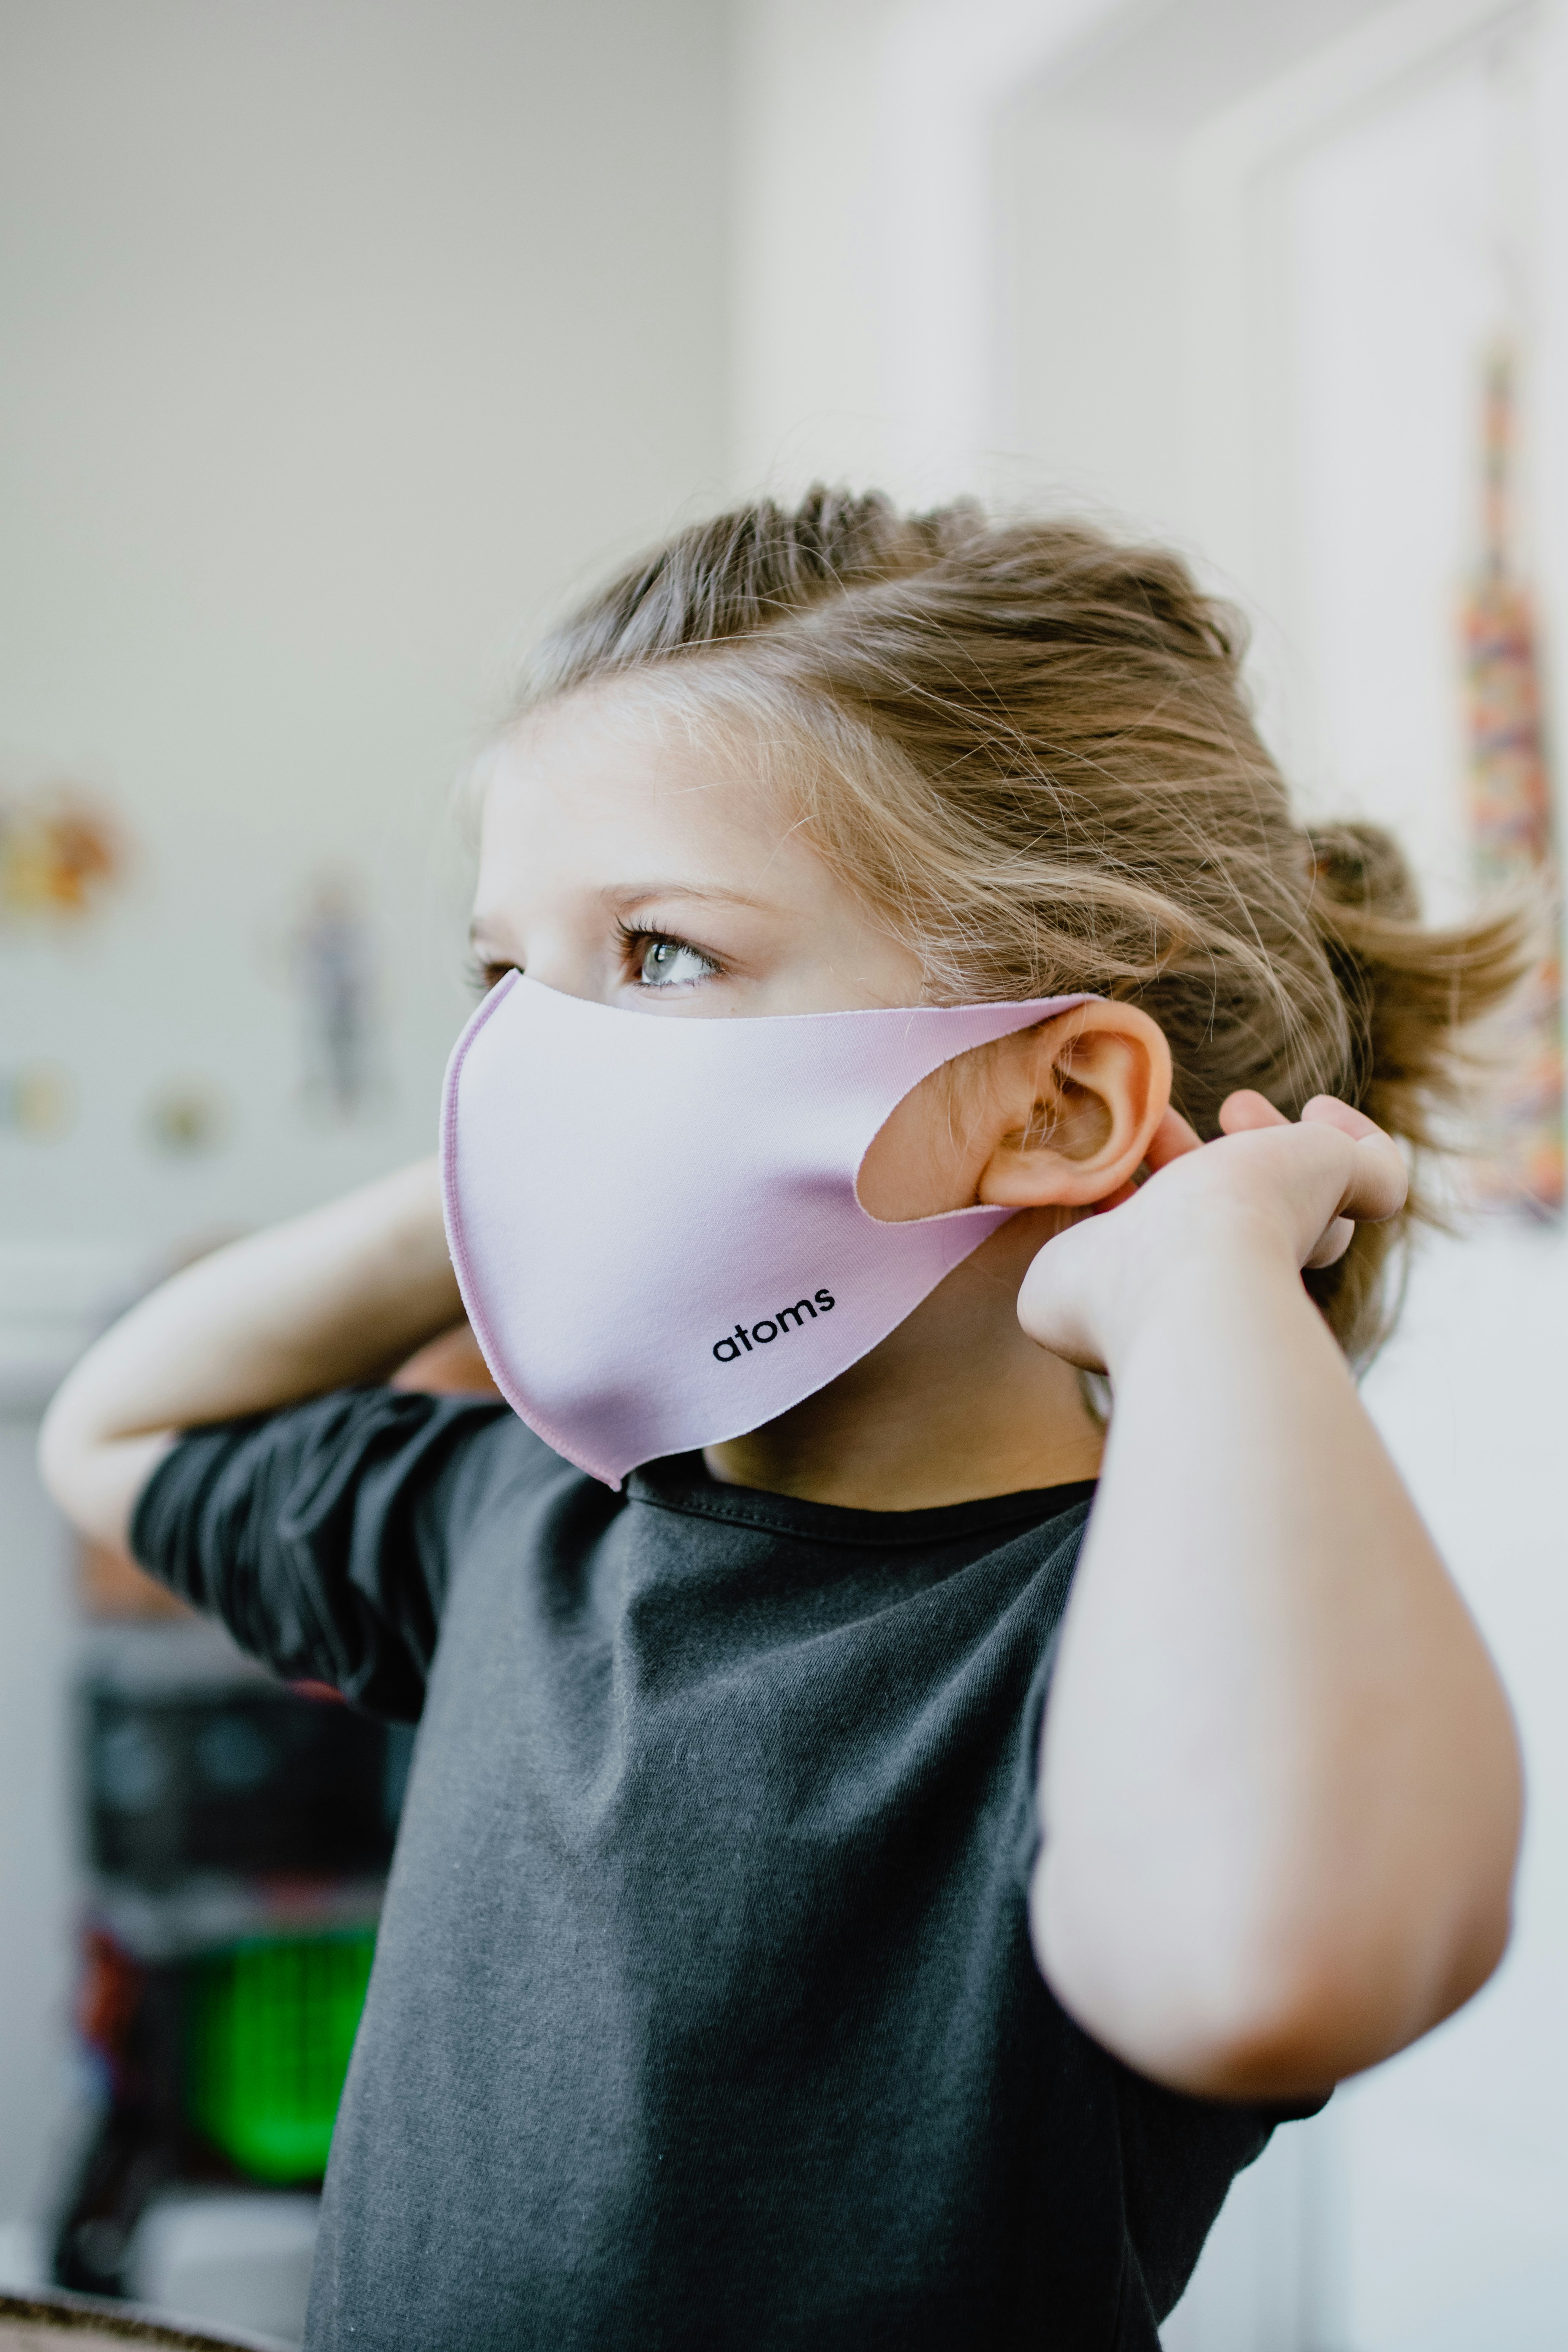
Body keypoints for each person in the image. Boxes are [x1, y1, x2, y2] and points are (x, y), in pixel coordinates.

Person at [41, 494, 1526, 2351]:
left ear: (1057, 1106)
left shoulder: (1130, 1642)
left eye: (659, 954)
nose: (529, 1050)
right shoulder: (518, 1527)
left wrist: (1202, 1283)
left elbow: (1280, 1966)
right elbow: (117, 1434)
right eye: (506, 979)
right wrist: (507, 1163)